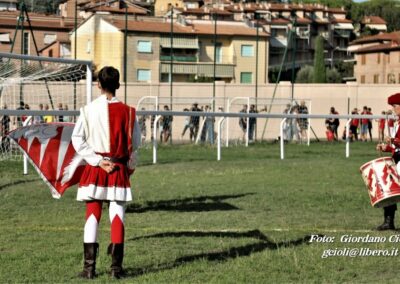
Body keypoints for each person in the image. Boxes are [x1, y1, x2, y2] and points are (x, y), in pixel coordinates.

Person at [71, 66, 141, 279]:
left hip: (95, 168)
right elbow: (136, 143)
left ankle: (89, 269)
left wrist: (97, 160)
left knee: (92, 215)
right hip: (118, 168)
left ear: (98, 84)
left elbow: (77, 138)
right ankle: (116, 270)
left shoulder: (87, 110)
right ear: (118, 85)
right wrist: (128, 166)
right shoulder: (129, 112)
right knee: (117, 215)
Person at [376, 93, 400, 230]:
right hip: (397, 160)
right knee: (389, 188)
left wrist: (394, 141)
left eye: (395, 106)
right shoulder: (398, 123)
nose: (393, 109)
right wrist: (387, 147)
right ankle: (388, 222)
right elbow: (397, 147)